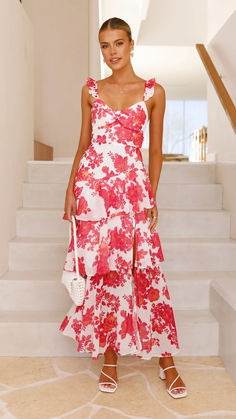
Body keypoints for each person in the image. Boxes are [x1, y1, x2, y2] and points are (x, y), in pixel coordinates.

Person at [59, 17, 187, 399]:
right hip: (93, 193)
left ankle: (167, 361)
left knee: (146, 272)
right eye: (104, 45)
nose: (111, 52)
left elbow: (155, 152)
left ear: (131, 45)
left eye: (118, 43)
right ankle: (110, 360)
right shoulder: (90, 91)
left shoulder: (153, 92)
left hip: (133, 192)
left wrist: (151, 195)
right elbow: (83, 145)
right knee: (106, 276)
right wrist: (70, 189)